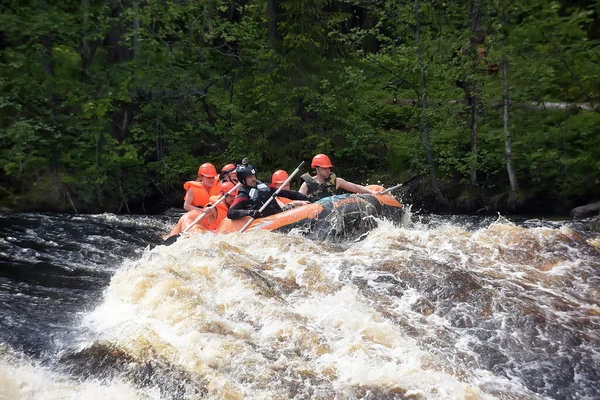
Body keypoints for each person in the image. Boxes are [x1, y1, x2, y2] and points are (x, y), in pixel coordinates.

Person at [227, 164, 309, 220]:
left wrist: (306, 198)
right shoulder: (243, 195)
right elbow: (230, 212)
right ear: (243, 180)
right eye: (250, 177)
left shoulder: (266, 186)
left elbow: (286, 193)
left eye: (254, 176)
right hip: (264, 221)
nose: (254, 179)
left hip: (278, 215)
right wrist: (249, 212)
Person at [299, 154, 378, 201]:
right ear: (317, 169)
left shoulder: (336, 181)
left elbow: (355, 187)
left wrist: (372, 192)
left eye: (329, 168)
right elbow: (298, 200)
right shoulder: (306, 184)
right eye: (325, 168)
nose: (328, 171)